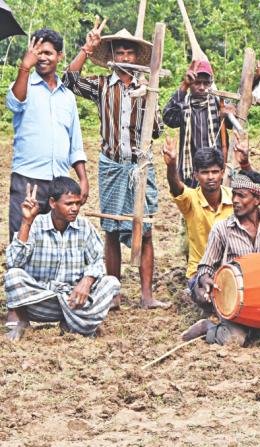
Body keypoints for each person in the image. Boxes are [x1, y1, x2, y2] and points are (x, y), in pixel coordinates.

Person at [63, 19, 169, 310]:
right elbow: (69, 80)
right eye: (120, 53)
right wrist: (88, 47)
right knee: (110, 228)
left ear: (137, 58)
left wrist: (150, 97)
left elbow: (157, 131)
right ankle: (114, 293)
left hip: (139, 167)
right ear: (112, 57)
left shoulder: (147, 87)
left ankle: (146, 296)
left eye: (129, 54)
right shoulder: (101, 86)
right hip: (111, 165)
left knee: (144, 229)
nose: (125, 58)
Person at [182, 171, 260, 345]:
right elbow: (206, 266)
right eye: (234, 194)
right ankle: (208, 327)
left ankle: (257, 329)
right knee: (234, 340)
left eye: (241, 196)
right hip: (234, 302)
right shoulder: (222, 228)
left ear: (257, 200)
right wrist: (205, 279)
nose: (235, 201)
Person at [5, 177, 120, 341]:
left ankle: (72, 322)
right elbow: (13, 262)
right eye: (68, 204)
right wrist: (26, 222)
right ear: (52, 203)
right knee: (13, 276)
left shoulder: (84, 227)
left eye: (78, 203)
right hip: (41, 301)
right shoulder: (36, 225)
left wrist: (87, 281)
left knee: (111, 282)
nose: (75, 208)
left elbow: (97, 261)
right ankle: (78, 324)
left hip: (74, 300)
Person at [7, 29, 88, 244]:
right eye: (38, 52)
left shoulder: (67, 97)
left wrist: (83, 178)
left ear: (59, 56)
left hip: (58, 183)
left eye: (48, 53)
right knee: (21, 239)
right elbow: (14, 103)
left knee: (53, 242)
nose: (42, 57)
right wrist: (24, 67)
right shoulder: (24, 86)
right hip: (27, 179)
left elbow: (75, 142)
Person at [163, 131, 252, 286]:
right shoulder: (190, 200)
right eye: (205, 172)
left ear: (223, 173)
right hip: (199, 272)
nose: (210, 177)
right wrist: (171, 165)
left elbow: (258, 191)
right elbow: (176, 187)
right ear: (196, 175)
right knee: (204, 294)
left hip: (233, 270)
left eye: (215, 172)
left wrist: (245, 163)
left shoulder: (234, 198)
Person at [163, 59, 235, 187]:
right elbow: (168, 118)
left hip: (216, 169)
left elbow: (234, 124)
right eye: (197, 83)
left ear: (211, 84)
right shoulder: (183, 105)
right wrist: (184, 86)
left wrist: (230, 114)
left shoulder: (219, 103)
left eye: (206, 83)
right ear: (191, 83)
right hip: (191, 169)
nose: (202, 87)